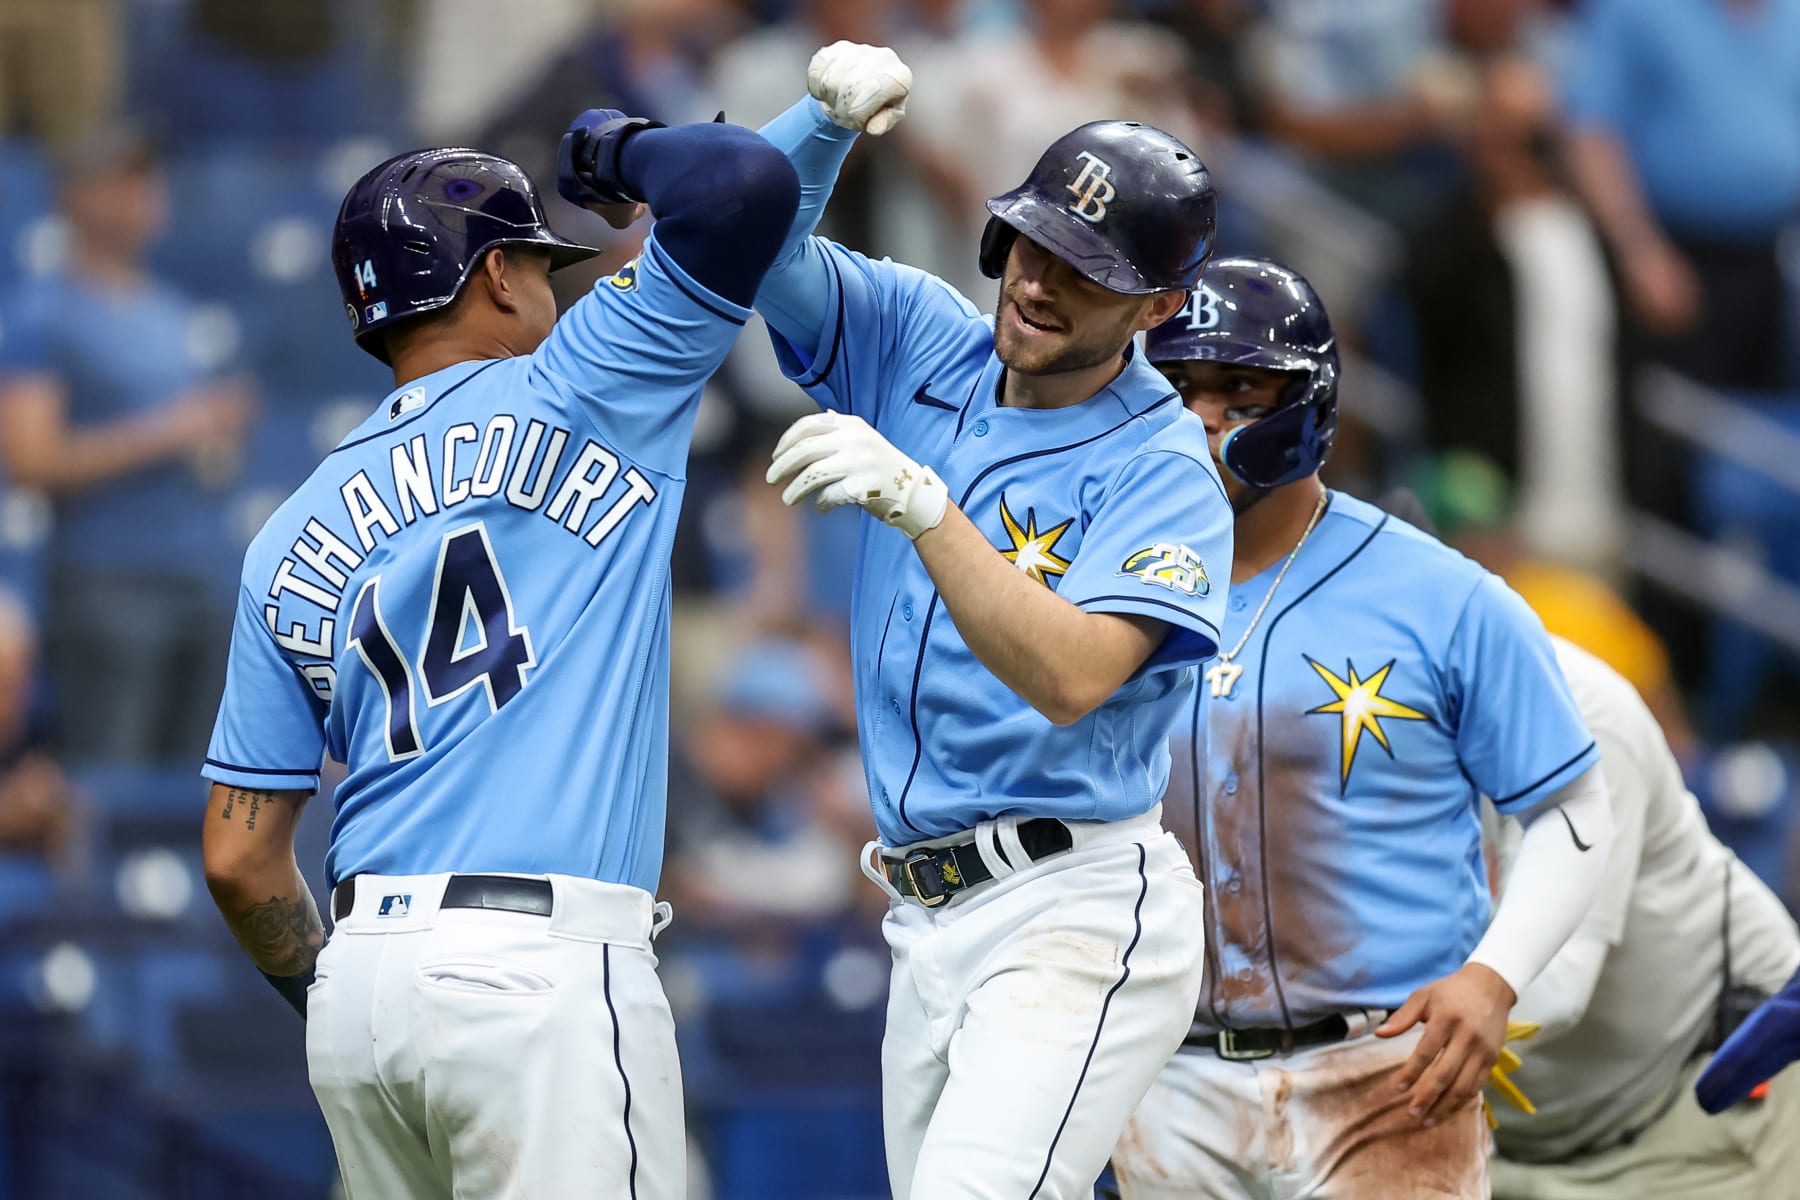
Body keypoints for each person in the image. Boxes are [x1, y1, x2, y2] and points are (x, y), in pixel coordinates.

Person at [197, 109, 799, 1198]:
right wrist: (613, 147)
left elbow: (239, 862)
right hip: (539, 973)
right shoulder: (587, 380)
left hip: (365, 993)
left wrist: (355, 983)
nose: (554, 288)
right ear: (496, 278)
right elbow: (747, 180)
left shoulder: (285, 532)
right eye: (538, 261)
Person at [752, 42, 1233, 1199]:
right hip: (922, 916)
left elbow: (1074, 675)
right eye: (1036, 240)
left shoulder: (1165, 468)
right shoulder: (926, 339)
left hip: (1068, 908)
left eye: (1089, 269)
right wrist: (816, 131)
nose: (1039, 280)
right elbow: (748, 245)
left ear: (1159, 307)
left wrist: (927, 509)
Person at [1108, 257, 1612, 1199]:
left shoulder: (1443, 594)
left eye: (1239, 386)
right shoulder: (1097, 589)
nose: (1203, 416)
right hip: (1158, 1069)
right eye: (1177, 387)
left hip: (1385, 1072)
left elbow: (1575, 810)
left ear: (1306, 400)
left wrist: (1495, 976)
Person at [1487, 636, 1800, 1198]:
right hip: (1506, 1143)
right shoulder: (1306, 726)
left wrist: (1346, 1063)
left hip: (1695, 1116)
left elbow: (1555, 986)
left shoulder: (1568, 705)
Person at [0, 127, 254, 765]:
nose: (139, 197)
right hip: (106, 586)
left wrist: (217, 437)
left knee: (203, 795)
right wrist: (174, 429)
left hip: (198, 579)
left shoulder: (173, 315)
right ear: (75, 198)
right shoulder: (43, 312)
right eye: (119, 181)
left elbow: (207, 460)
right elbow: (32, 461)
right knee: (113, 794)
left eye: (145, 180)